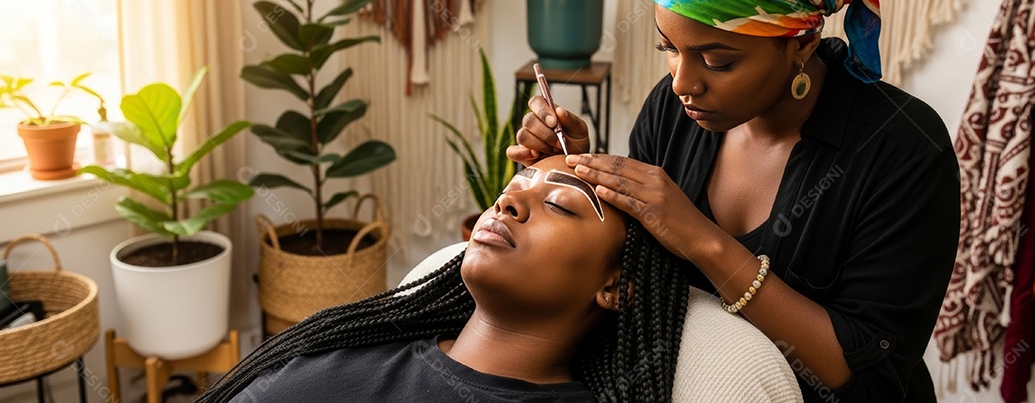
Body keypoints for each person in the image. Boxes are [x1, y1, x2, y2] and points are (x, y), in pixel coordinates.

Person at [510, 0, 961, 402]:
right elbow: (638, 275)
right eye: (669, 50)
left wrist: (702, 239)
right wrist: (577, 168)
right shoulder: (673, 111)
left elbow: (867, 379)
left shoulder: (902, 149)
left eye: (718, 61)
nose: (682, 83)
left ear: (802, 41)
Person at [195, 156, 689, 403]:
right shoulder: (343, 355)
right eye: (512, 189)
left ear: (616, 288)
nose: (506, 203)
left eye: (559, 204)